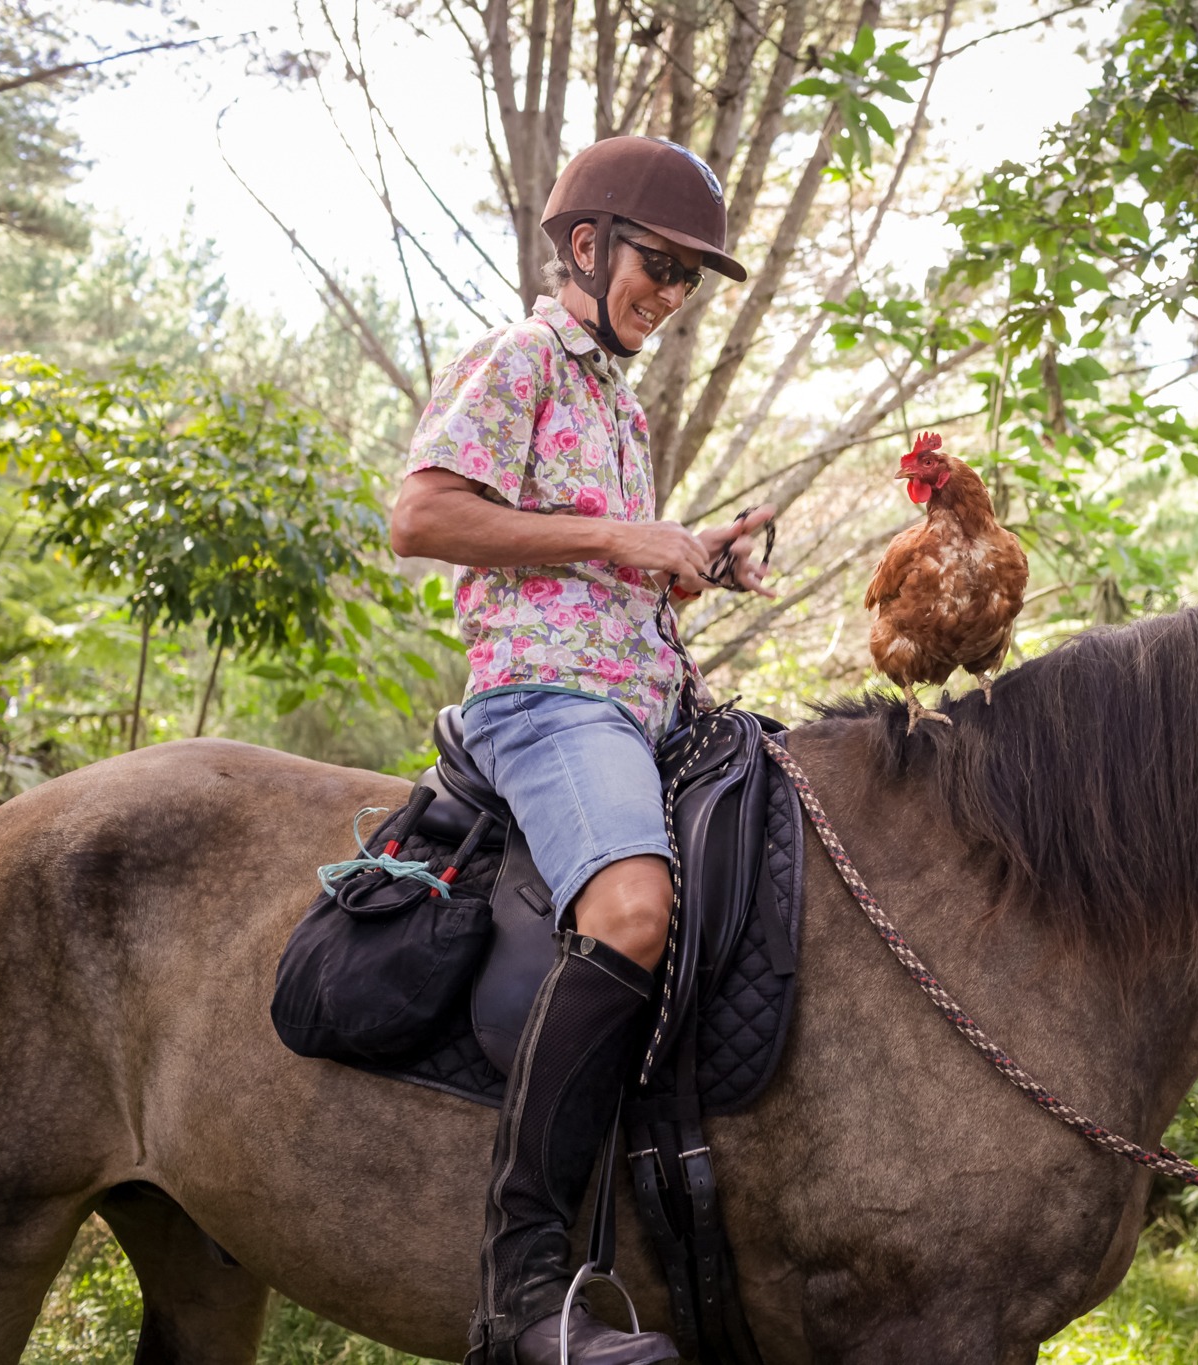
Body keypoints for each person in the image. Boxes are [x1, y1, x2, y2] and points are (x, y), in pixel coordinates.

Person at [390, 135, 774, 1365]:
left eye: (688, 280)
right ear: (586, 245)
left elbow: (595, 564)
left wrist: (691, 555)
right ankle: (519, 1296)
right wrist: (624, 537)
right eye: (656, 265)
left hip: (641, 699)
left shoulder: (622, 401)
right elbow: (422, 514)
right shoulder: (522, 358)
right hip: (547, 702)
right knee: (629, 911)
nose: (668, 295)